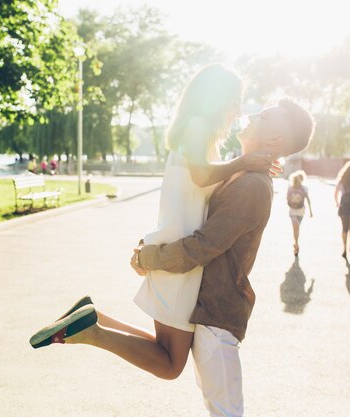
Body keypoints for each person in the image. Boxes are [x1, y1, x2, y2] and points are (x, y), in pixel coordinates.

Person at [29, 64, 276, 381]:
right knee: (170, 364)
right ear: (215, 98)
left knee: (166, 351)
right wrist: (243, 162)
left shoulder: (196, 134)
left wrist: (249, 165)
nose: (238, 110)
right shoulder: (197, 126)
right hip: (180, 263)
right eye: (235, 100)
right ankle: (92, 330)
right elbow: (201, 177)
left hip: (176, 255)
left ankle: (93, 319)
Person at [132, 98, 314, 416]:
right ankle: (94, 325)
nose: (254, 113)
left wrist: (150, 258)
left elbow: (201, 246)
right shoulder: (242, 174)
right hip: (206, 314)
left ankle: (92, 327)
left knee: (226, 412)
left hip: (217, 320)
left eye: (266, 115)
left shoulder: (253, 187)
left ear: (275, 140)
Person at [286, 170, 312, 256]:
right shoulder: (301, 188)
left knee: (296, 228)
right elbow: (308, 199)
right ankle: (296, 244)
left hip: (298, 210)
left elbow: (287, 199)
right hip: (297, 210)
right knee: (296, 228)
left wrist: (311, 211)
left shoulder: (292, 188)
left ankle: (296, 242)